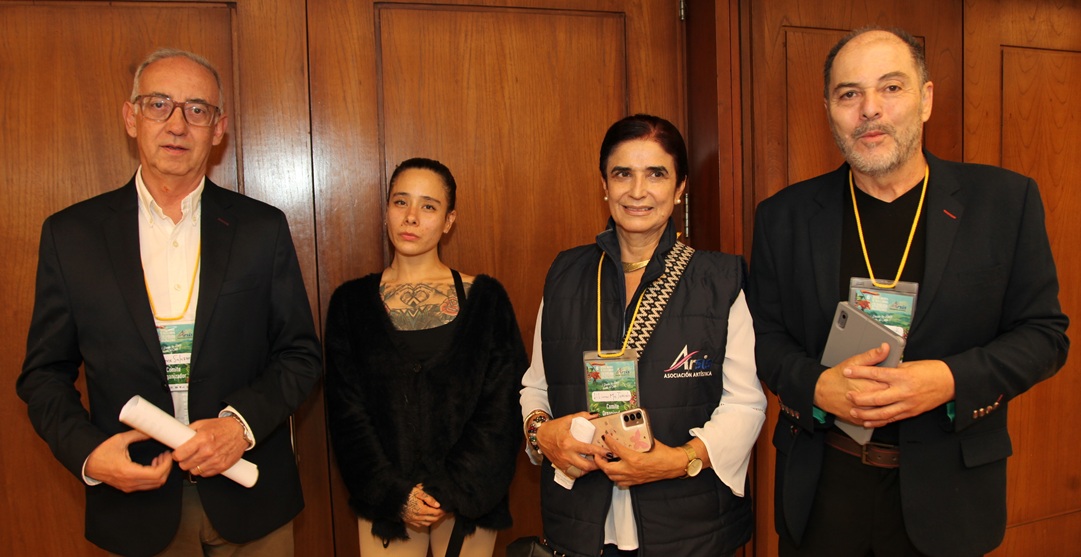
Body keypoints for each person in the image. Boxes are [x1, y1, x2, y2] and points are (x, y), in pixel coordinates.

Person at [747, 27, 1069, 557]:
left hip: (951, 498)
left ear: (926, 99)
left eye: (891, 88)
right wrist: (817, 387)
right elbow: (765, 335)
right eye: (849, 93)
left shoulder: (1004, 202)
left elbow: (1045, 335)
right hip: (823, 491)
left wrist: (948, 379)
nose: (869, 109)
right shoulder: (784, 216)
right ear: (829, 108)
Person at [16, 48, 322, 557]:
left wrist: (238, 427)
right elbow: (43, 375)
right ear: (130, 117)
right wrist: (89, 454)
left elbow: (301, 355)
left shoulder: (261, 228)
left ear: (218, 127)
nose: (178, 124)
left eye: (197, 109)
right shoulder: (72, 235)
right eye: (159, 104)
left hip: (251, 501)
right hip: (134, 506)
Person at [520, 114, 766, 557]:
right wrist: (540, 434)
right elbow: (536, 386)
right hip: (580, 524)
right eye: (622, 174)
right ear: (604, 184)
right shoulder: (565, 275)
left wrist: (677, 461)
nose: (637, 191)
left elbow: (745, 404)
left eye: (656, 174)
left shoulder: (719, 279)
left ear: (679, 187)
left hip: (687, 527)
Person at [324, 157, 528, 557]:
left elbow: (502, 409)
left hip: (468, 505)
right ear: (386, 211)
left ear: (449, 220)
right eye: (401, 202)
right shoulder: (350, 304)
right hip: (387, 507)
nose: (411, 217)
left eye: (428, 206)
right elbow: (347, 414)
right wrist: (396, 494)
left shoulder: (486, 300)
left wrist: (449, 491)